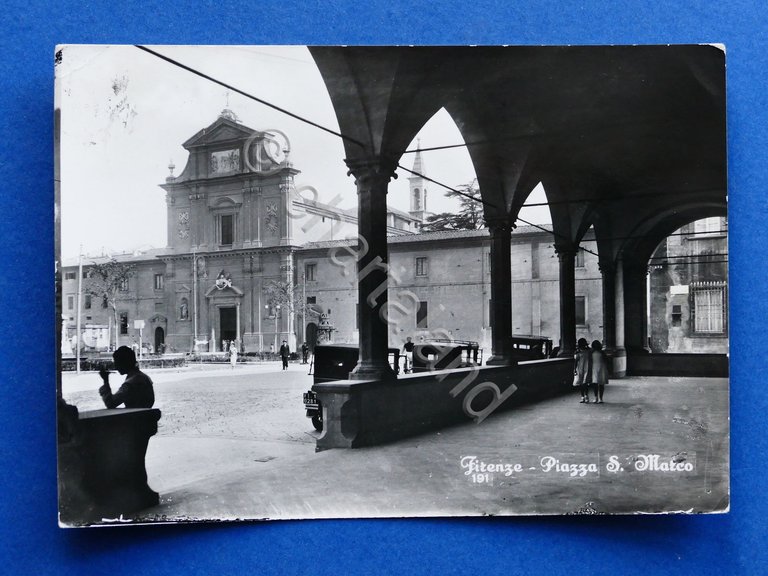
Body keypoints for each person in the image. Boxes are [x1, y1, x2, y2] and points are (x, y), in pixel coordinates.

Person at [574, 338, 592, 403]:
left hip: (581, 368)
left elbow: (575, 362)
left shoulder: (579, 352)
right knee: (583, 383)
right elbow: (576, 361)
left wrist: (574, 369)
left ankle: (584, 396)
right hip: (584, 368)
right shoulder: (588, 351)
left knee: (583, 383)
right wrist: (575, 369)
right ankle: (585, 396)